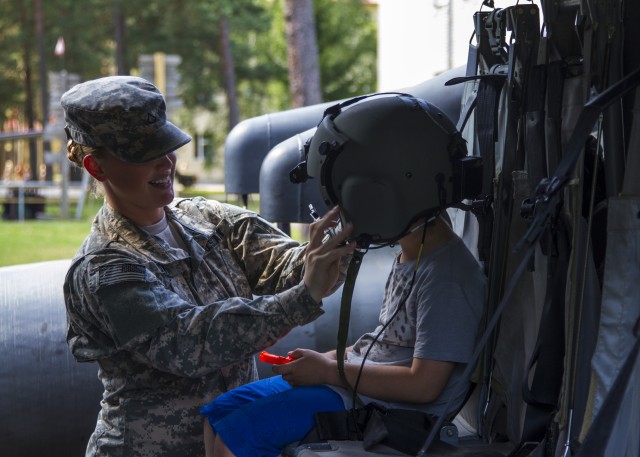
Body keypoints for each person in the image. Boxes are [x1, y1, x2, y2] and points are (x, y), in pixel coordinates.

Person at [61, 75, 355, 457]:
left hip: (227, 441)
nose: (166, 162)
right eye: (144, 155)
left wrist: (345, 237)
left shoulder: (206, 219)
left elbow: (288, 266)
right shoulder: (106, 268)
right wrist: (303, 297)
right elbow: (191, 342)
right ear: (96, 167)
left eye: (166, 147)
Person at [201, 93, 487, 457]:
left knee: (234, 438)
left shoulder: (446, 276)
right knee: (219, 414)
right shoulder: (412, 251)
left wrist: (329, 370)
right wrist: (326, 360)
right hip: (357, 388)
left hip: (391, 413)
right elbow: (389, 348)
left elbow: (425, 387)